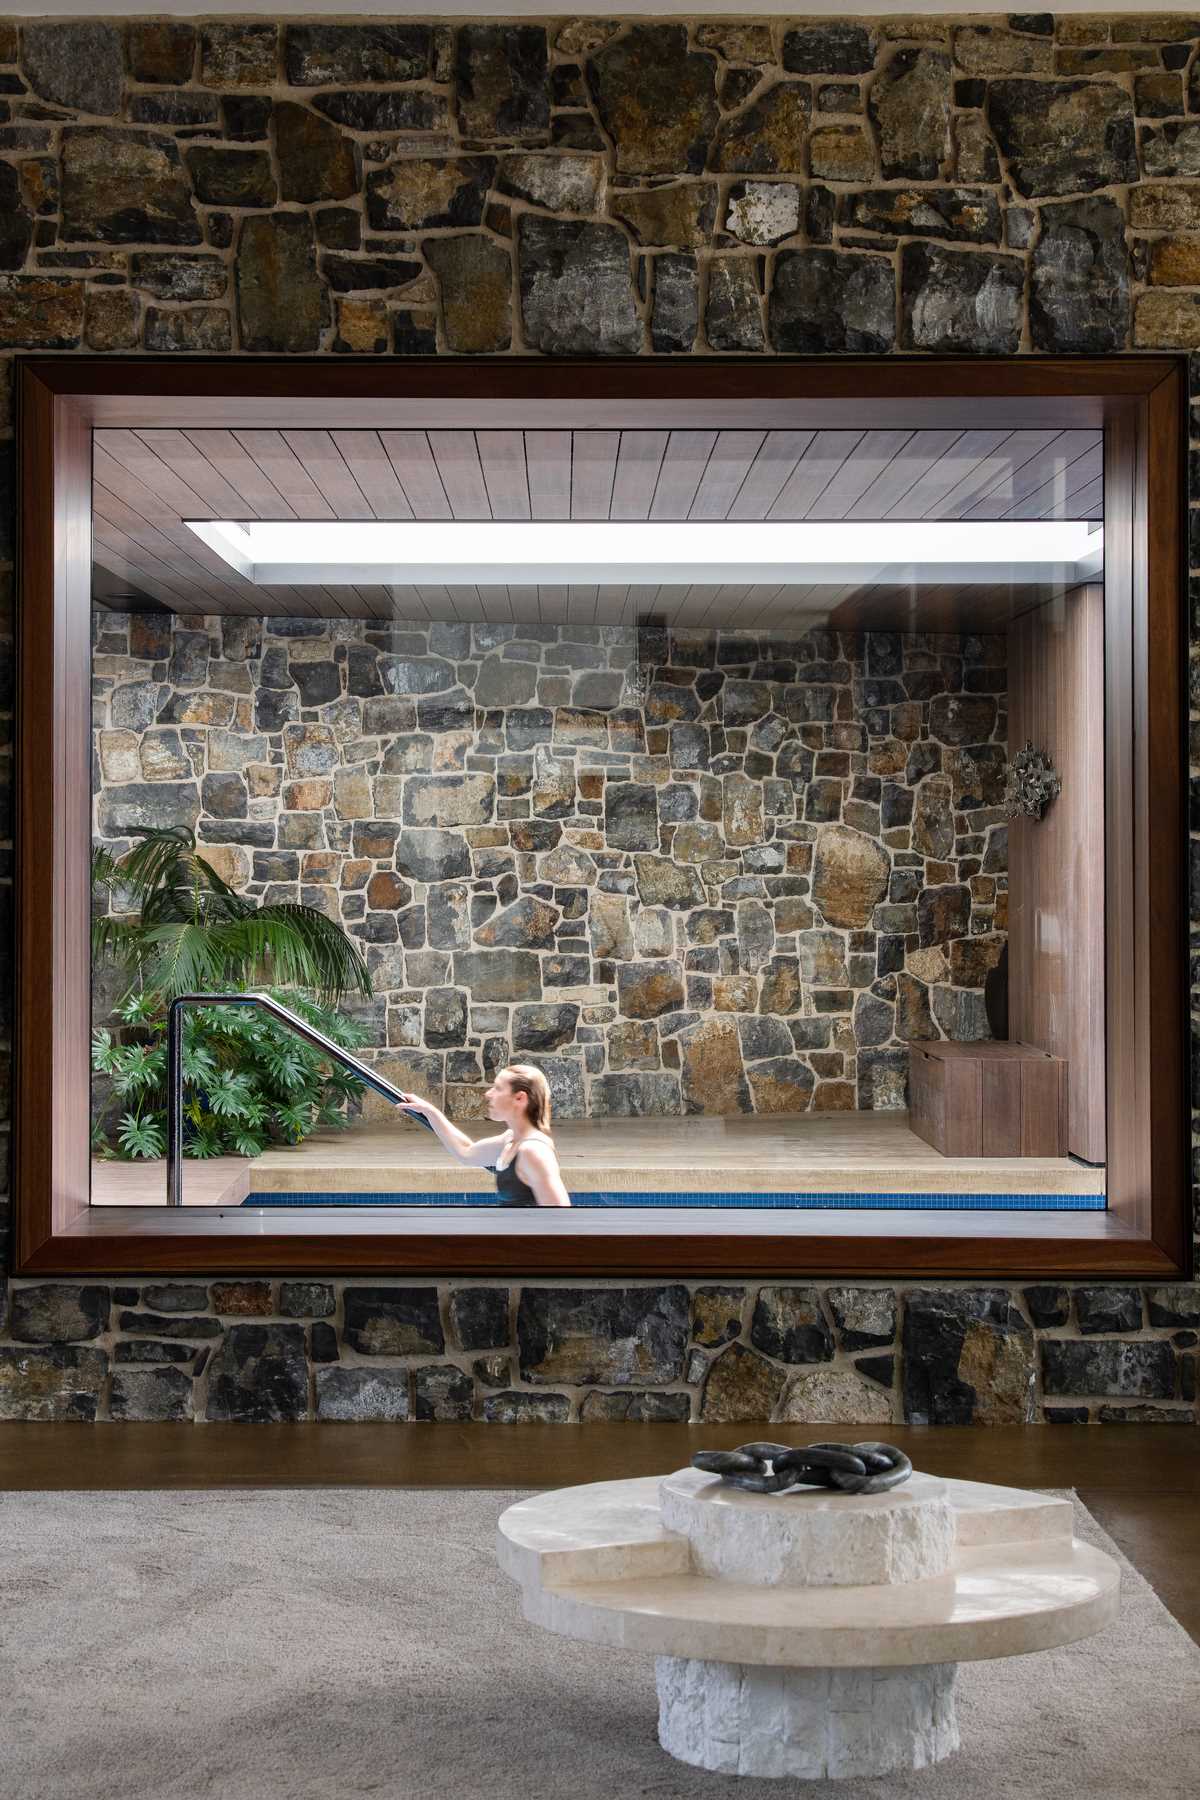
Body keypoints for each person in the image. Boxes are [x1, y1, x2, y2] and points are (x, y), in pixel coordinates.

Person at [397, 1064, 571, 1208]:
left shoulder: (533, 1151)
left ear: (519, 1098)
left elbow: (561, 1220)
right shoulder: (510, 1140)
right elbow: (466, 1152)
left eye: (498, 1088)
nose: (488, 1094)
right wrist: (429, 1111)